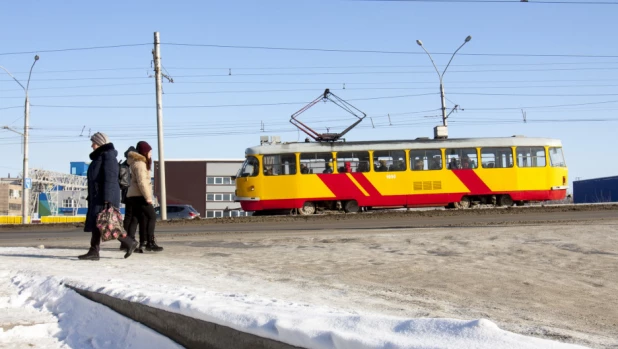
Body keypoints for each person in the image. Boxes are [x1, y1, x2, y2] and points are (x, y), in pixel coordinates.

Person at [79, 132, 138, 261]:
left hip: (104, 197)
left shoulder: (108, 156)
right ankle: (94, 251)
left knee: (107, 223)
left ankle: (129, 242)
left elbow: (110, 179)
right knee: (99, 223)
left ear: (100, 143)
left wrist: (108, 199)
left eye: (94, 142)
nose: (92, 145)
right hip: (98, 196)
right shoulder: (100, 156)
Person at [125, 141, 163, 252]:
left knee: (136, 218)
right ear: (145, 152)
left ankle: (131, 242)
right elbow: (142, 182)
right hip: (139, 195)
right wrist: (148, 197)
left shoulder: (135, 162)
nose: (151, 154)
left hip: (133, 195)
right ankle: (150, 243)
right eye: (149, 151)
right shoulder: (140, 164)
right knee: (152, 217)